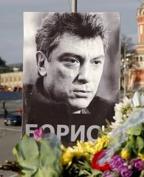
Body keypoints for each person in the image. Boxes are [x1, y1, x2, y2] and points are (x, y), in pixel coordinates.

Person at [24, 13, 115, 143]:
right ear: (42, 63)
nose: (85, 77)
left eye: (96, 62)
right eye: (72, 61)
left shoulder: (112, 114)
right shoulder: (26, 108)